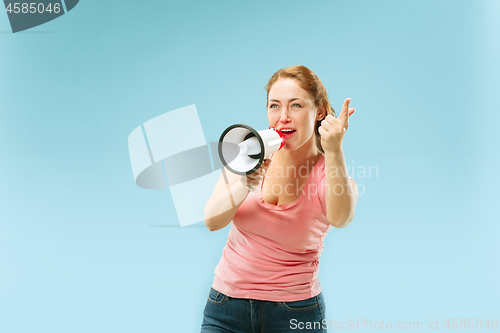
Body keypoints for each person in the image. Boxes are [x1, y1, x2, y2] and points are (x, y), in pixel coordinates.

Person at [201, 65, 359, 333]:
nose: (283, 116)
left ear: (319, 111)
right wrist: (245, 182)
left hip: (294, 314)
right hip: (225, 308)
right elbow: (212, 221)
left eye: (296, 105)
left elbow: (341, 218)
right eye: (274, 106)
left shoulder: (327, 173)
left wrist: (334, 151)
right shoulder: (248, 154)